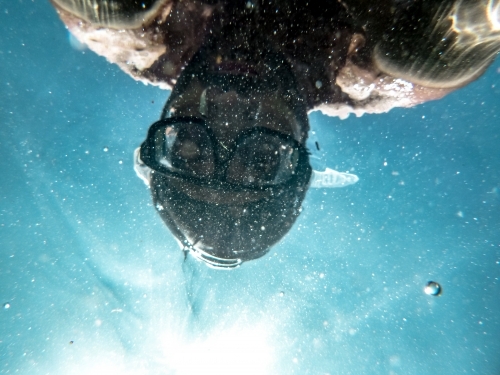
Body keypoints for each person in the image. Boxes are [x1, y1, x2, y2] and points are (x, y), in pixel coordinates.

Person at [50, 0, 500, 268]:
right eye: (263, 157)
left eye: (188, 149)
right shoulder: (380, 70)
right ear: (300, 157)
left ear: (159, 137)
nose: (230, 108)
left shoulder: (133, 30)